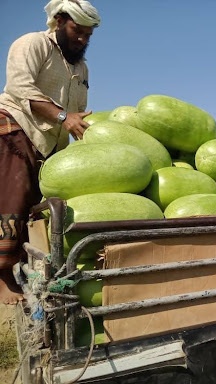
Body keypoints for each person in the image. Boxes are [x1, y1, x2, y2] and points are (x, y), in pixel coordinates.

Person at [0, 0, 101, 304]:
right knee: (13, 200)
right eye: (76, 31)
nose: (82, 39)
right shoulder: (32, 44)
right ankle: (2, 278)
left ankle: (26, 271)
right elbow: (21, 89)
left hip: (49, 146)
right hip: (14, 127)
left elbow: (78, 113)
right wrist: (63, 116)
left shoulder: (81, 68)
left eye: (87, 35)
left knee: (37, 209)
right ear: (59, 21)